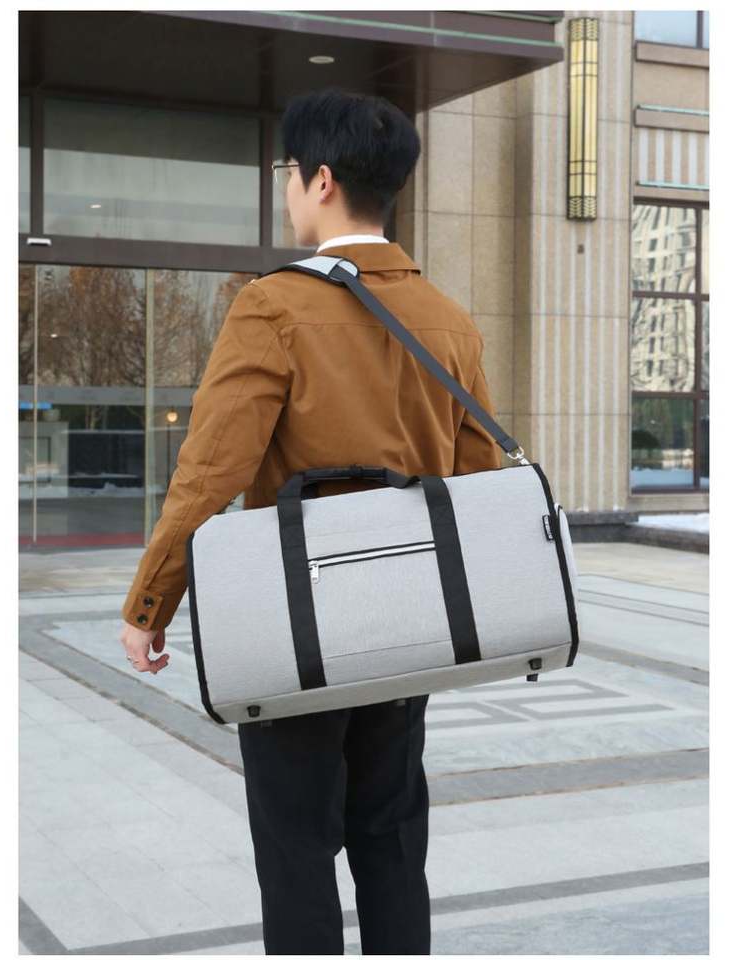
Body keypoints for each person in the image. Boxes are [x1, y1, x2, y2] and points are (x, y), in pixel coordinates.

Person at [119, 86, 502, 954]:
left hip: (297, 620)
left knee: (296, 845)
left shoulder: (274, 306)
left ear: (321, 179)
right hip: (410, 619)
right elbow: (481, 479)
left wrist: (150, 604)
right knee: (392, 835)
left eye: (289, 170)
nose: (287, 185)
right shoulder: (447, 320)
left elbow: (211, 472)